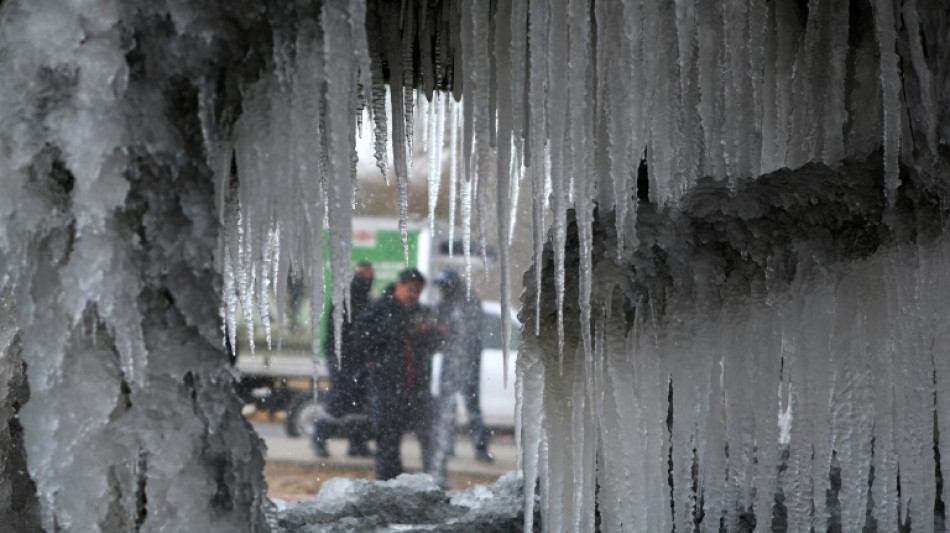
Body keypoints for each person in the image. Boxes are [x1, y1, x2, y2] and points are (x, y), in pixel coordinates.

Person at [358, 268, 442, 480]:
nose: (414, 296)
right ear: (399, 285)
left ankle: (434, 477)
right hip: (386, 387)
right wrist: (397, 327)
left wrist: (433, 332)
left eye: (418, 292)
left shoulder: (421, 312)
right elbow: (362, 338)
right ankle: (388, 483)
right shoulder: (380, 309)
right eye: (410, 290)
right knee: (388, 440)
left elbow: (436, 346)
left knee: (429, 436)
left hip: (417, 388)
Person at [428, 270, 493, 487]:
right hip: (451, 362)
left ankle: (480, 446)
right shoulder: (446, 303)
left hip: (469, 362)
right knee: (447, 407)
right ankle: (447, 448)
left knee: (471, 407)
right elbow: (439, 328)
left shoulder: (468, 302)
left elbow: (469, 333)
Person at [312, 262, 375, 458]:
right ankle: (320, 438)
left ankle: (357, 443)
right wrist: (337, 354)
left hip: (357, 358)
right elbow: (336, 331)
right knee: (339, 398)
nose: (370, 279)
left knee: (357, 400)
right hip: (343, 357)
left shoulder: (365, 301)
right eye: (367, 275)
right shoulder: (345, 299)